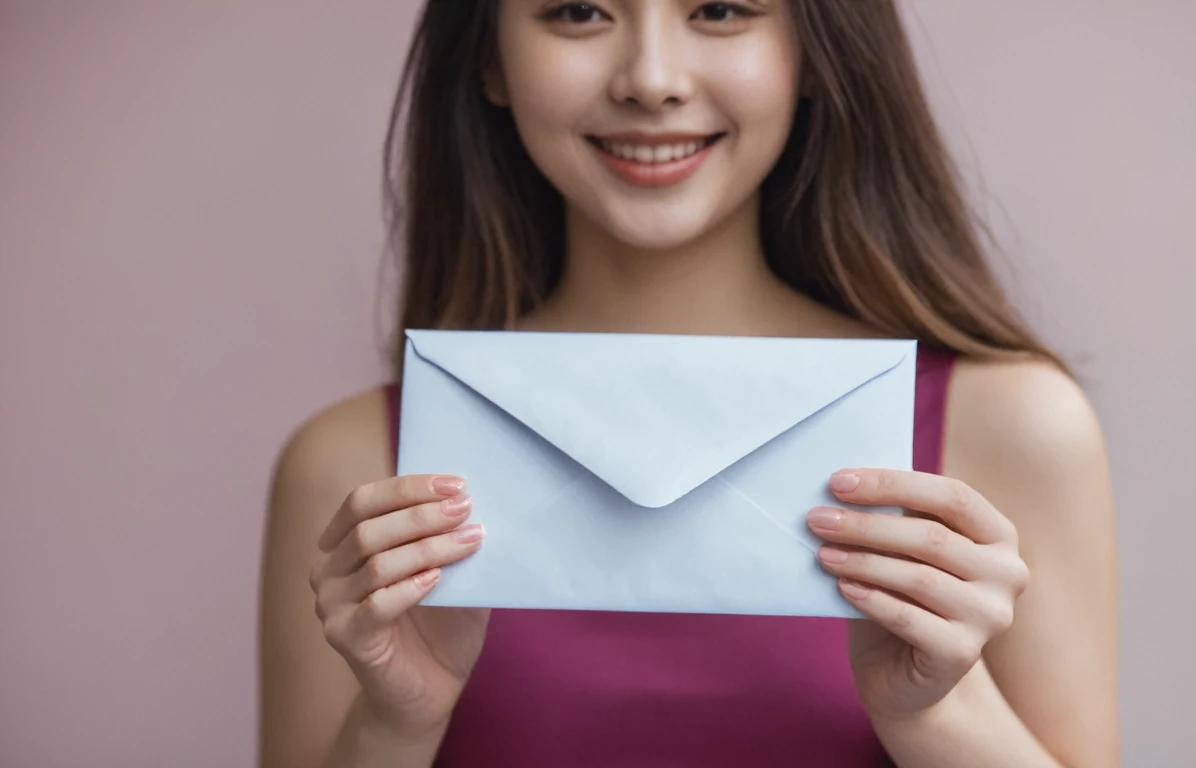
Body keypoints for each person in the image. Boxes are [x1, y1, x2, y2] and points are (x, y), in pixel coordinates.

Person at [258, 1, 1120, 766]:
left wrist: (938, 712)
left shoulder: (1014, 425)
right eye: (576, 12)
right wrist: (395, 722)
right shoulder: (346, 466)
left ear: (814, 48)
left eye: (719, 9)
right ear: (488, 56)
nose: (652, 79)